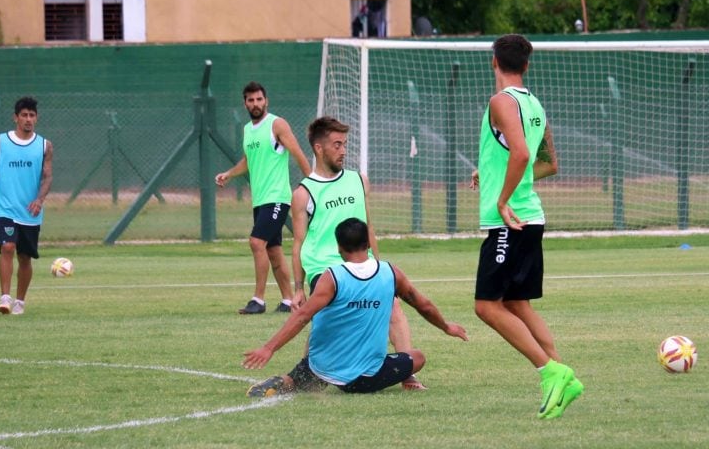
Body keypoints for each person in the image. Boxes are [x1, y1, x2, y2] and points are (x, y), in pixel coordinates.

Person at [470, 34, 582, 419]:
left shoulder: (500, 101)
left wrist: (501, 199)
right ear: (527, 65)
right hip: (530, 218)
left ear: (493, 62)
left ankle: (549, 371)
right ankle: (563, 376)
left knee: (486, 306)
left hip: (511, 220)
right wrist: (490, 171)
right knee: (517, 303)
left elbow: (519, 153)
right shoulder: (534, 104)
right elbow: (547, 163)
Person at [242, 217, 467, 396]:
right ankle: (395, 377)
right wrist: (447, 327)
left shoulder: (331, 277)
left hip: (324, 368)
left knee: (312, 370)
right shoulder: (390, 273)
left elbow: (302, 316)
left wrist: (268, 348)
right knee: (417, 357)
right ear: (368, 244)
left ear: (339, 247)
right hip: (364, 380)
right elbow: (424, 306)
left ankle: (289, 380)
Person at [289, 116, 426, 390]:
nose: (343, 150)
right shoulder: (304, 193)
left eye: (345, 144)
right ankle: (308, 376)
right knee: (326, 314)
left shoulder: (359, 181)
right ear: (319, 148)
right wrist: (298, 288)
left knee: (393, 305)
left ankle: (407, 376)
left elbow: (368, 226)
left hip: (362, 263)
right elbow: (299, 243)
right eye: (337, 145)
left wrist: (379, 265)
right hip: (324, 268)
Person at [216, 82, 311, 314]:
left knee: (256, 242)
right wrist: (229, 173)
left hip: (277, 197)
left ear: (266, 100)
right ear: (245, 103)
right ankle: (289, 301)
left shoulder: (276, 124)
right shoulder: (248, 129)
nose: (255, 104)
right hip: (260, 200)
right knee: (273, 251)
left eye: (259, 99)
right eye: (251, 100)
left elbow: (297, 152)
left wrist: (312, 183)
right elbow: (248, 160)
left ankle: (258, 300)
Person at [0, 96, 53, 316]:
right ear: (15, 117)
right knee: (8, 247)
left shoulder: (44, 146)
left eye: (32, 115)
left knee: (25, 257)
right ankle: (5, 298)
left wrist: (39, 199)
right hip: (5, 207)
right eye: (24, 115)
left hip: (30, 211)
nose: (28, 119)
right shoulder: (0, 142)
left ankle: (20, 302)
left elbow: (47, 177)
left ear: (36, 118)